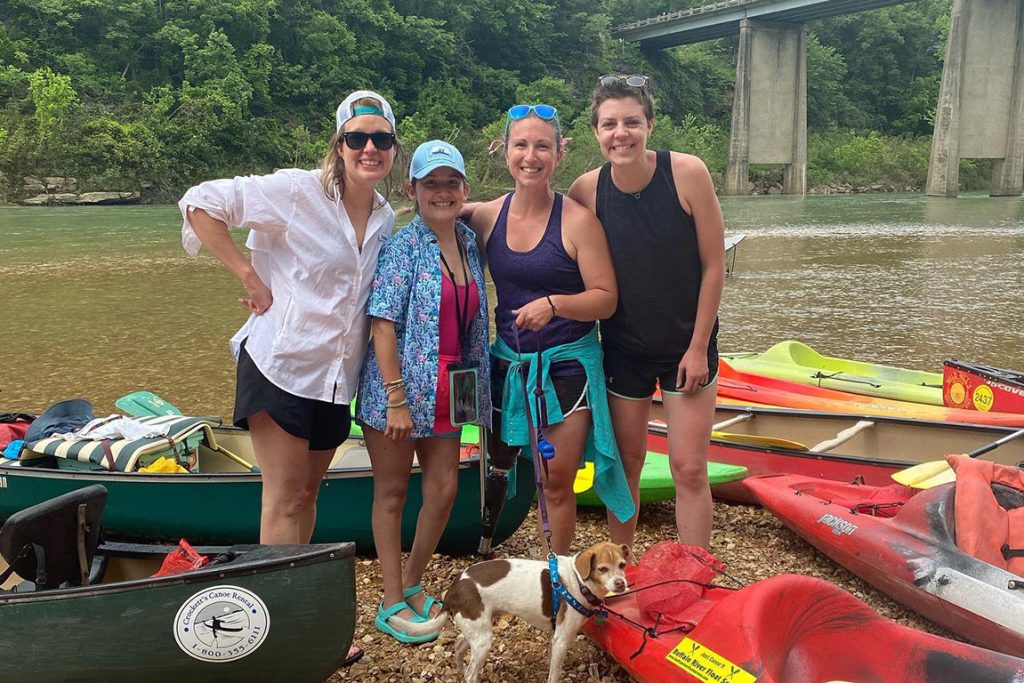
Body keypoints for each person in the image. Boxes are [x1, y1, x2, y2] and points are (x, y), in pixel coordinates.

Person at [180, 89, 401, 666]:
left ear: (394, 149)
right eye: (358, 138)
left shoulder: (384, 216)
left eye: (381, 139)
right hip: (280, 364)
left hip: (334, 378)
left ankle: (292, 620)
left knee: (307, 496)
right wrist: (248, 274)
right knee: (281, 500)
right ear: (340, 145)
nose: (370, 148)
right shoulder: (297, 192)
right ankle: (276, 634)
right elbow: (201, 203)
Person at [462, 104, 634, 556]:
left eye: (542, 146)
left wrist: (555, 304)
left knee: (555, 480)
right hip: (508, 365)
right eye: (521, 145)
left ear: (560, 152)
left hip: (567, 367)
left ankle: (557, 574)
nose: (530, 156)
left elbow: (606, 297)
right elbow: (437, 220)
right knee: (508, 468)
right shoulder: (485, 218)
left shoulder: (577, 220)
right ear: (504, 151)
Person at [568, 75, 726, 549]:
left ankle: (697, 574)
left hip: (687, 346)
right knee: (627, 464)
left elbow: (714, 266)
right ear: (597, 132)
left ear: (650, 125)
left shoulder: (687, 174)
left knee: (690, 468)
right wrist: (461, 211)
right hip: (623, 351)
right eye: (610, 124)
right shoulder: (587, 190)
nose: (622, 133)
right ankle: (622, 568)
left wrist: (698, 347)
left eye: (632, 122)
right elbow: (537, 221)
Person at [356, 140, 490, 644]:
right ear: (411, 190)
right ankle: (390, 600)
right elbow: (382, 325)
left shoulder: (468, 242)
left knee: (444, 489)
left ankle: (413, 580)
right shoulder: (401, 246)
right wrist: (395, 396)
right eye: (430, 183)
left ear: (464, 189)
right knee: (391, 493)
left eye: (450, 183)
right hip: (398, 393)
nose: (441, 192)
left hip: (452, 391)